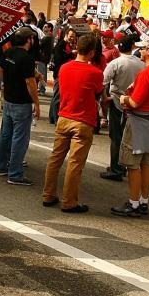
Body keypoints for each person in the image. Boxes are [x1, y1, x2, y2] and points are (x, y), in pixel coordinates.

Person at [111, 37, 149, 217]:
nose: (140, 51)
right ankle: (144, 200)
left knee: (133, 164)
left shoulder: (147, 73)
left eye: (144, 48)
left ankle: (133, 203)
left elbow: (135, 102)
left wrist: (124, 99)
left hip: (139, 121)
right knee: (146, 163)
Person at [41, 32, 103, 214]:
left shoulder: (64, 68)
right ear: (91, 53)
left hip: (64, 117)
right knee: (75, 164)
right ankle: (69, 201)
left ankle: (48, 194)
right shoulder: (95, 72)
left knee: (55, 159)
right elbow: (98, 94)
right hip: (82, 120)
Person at [0, 29, 39, 185]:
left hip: (9, 100)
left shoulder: (9, 52)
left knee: (5, 134)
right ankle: (15, 173)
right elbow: (30, 82)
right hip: (21, 102)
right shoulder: (27, 58)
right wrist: (37, 104)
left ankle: (0, 166)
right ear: (29, 40)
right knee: (20, 138)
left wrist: (7, 83)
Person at [100, 33, 143, 182]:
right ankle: (123, 166)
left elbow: (103, 82)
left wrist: (104, 98)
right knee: (127, 138)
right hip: (133, 104)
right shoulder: (141, 64)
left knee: (116, 137)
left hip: (117, 102)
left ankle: (116, 169)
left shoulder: (116, 63)